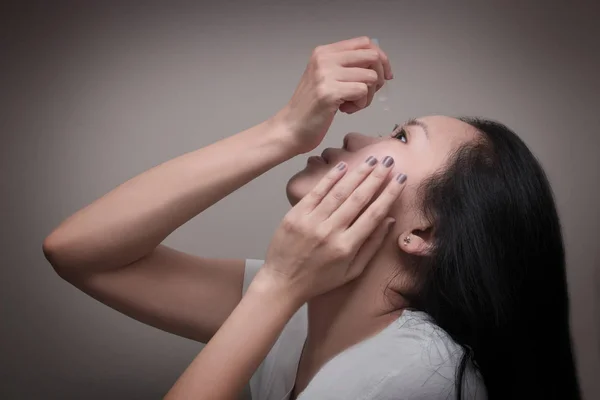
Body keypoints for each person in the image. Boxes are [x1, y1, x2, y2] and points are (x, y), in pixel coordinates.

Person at [43, 36, 581, 399]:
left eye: (400, 138)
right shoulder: (310, 308)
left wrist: (279, 285)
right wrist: (283, 132)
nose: (355, 136)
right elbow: (79, 252)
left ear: (424, 232)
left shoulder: (411, 376)